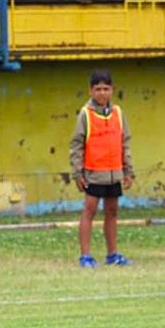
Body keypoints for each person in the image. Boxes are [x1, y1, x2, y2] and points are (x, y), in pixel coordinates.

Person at [70, 69, 133, 269]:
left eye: (106, 89)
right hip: (93, 173)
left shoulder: (118, 113)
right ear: (91, 91)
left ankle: (112, 254)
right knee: (89, 211)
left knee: (112, 212)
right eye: (98, 89)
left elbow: (125, 143)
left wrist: (128, 171)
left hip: (114, 171)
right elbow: (77, 145)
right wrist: (77, 173)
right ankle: (85, 256)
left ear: (112, 90)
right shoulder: (85, 114)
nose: (102, 93)